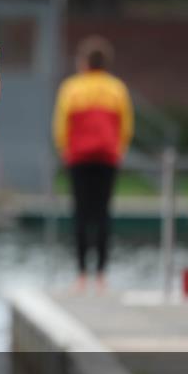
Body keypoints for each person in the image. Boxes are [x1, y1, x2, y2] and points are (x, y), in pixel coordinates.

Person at [52, 36, 134, 294]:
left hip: (78, 158)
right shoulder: (117, 88)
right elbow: (126, 125)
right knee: (103, 214)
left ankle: (81, 276)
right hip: (107, 158)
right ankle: (101, 276)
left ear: (85, 62)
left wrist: (64, 149)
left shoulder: (71, 88)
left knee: (80, 213)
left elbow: (61, 124)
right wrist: (120, 149)